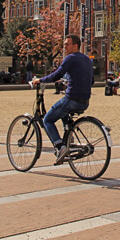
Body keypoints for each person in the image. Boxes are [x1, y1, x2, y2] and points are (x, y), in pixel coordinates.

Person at [32, 34, 94, 164]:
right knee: (63, 113)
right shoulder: (87, 59)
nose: (64, 47)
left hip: (72, 99)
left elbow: (56, 75)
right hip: (84, 101)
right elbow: (91, 80)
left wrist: (40, 80)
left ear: (75, 45)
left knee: (48, 119)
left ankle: (60, 147)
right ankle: (69, 137)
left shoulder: (70, 58)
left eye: (67, 44)